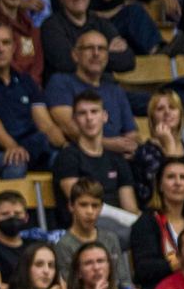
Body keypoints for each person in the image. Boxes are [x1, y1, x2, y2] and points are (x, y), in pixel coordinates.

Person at [0, 19, 65, 178]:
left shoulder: (26, 80)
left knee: (66, 161)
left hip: (31, 148)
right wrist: (12, 146)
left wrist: (66, 147)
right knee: (16, 164)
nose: (0, 49)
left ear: (14, 47)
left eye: (6, 42)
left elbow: (46, 124)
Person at [50, 90, 139, 225]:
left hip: (119, 227)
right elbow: (82, 206)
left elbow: (130, 208)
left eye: (94, 111)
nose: (89, 118)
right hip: (84, 227)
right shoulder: (67, 157)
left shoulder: (117, 159)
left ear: (104, 116)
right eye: (82, 113)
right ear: (74, 119)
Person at [130, 157, 184, 289]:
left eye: (183, 177)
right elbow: (143, 269)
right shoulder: (147, 222)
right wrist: (180, 263)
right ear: (160, 185)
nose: (178, 183)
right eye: (171, 177)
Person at [53, 179, 134, 289]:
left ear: (101, 208)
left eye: (95, 206)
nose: (90, 211)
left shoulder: (110, 239)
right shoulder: (63, 245)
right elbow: (70, 287)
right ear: (71, 206)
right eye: (83, 205)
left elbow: (123, 280)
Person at [132, 89, 184, 201]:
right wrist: (169, 143)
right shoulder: (144, 152)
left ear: (180, 114)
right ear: (152, 117)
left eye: (172, 107)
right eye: (160, 109)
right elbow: (162, 193)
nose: (167, 112)